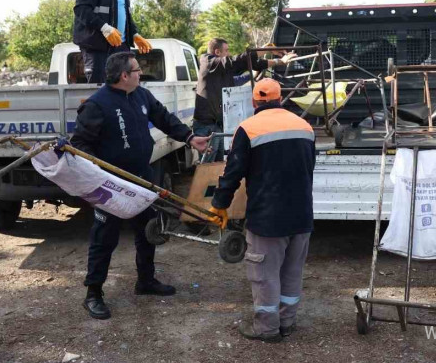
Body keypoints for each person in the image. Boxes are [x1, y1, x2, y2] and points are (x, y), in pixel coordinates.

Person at [70, 51, 210, 320]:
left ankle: (145, 280)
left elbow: (163, 118)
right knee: (104, 239)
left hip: (141, 178)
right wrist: (99, 176)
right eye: (137, 70)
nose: (140, 74)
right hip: (111, 185)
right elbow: (80, 146)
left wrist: (190, 137)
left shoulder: (141, 95)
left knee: (148, 230)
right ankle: (93, 294)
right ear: (124, 76)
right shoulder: (96, 105)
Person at [210, 78, 316, 343]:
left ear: (255, 101)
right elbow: (309, 168)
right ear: (280, 98)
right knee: (292, 272)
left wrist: (219, 204)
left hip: (267, 219)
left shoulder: (248, 129)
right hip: (302, 215)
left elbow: (232, 172)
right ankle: (287, 323)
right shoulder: (305, 127)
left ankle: (267, 329)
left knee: (265, 276)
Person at [194, 38, 296, 162]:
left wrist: (279, 61)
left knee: (218, 165)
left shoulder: (222, 70)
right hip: (206, 126)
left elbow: (252, 64)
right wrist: (264, 50)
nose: (229, 53)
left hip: (218, 125)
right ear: (217, 52)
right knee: (207, 167)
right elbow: (236, 61)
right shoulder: (208, 62)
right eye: (226, 51)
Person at [73, 0, 153, 84]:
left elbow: (125, 13)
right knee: (101, 90)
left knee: (124, 87)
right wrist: (105, 28)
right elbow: (82, 10)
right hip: (97, 47)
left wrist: (134, 34)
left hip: (120, 46)